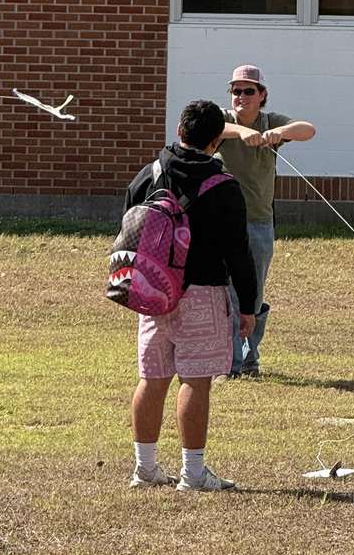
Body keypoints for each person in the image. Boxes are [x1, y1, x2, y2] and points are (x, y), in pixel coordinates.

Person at [125, 100, 257, 492]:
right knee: (195, 382)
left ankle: (144, 468)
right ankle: (193, 474)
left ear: (180, 130)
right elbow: (239, 252)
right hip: (202, 293)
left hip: (153, 291)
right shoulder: (224, 187)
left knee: (152, 379)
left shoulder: (149, 174)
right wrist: (248, 307)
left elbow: (131, 227)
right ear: (217, 141)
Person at [216, 65, 315, 381]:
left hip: (259, 222)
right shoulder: (223, 120)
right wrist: (241, 132)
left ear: (262, 96)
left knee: (252, 297)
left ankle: (249, 359)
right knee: (226, 296)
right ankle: (229, 364)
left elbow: (308, 129)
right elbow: (207, 127)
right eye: (236, 91)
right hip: (223, 224)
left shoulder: (272, 123)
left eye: (249, 91)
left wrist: (280, 133)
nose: (241, 97)